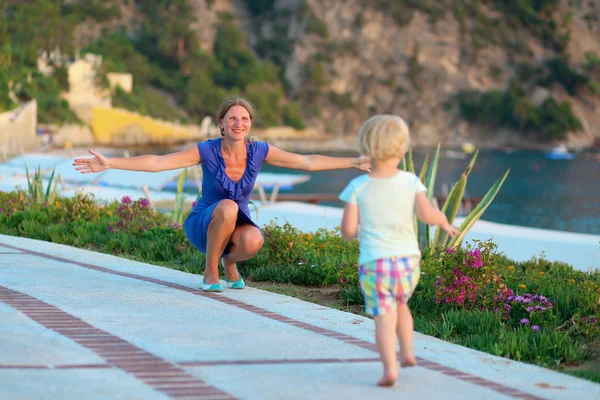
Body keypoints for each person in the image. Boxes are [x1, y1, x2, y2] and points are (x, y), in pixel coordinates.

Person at [73, 95, 370, 292]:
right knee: (227, 206)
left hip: (236, 226)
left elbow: (307, 161)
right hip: (204, 222)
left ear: (250, 124)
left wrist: (354, 161)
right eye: (232, 119)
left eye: (244, 119)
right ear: (221, 125)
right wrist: (109, 162)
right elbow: (158, 162)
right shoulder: (206, 151)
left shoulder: (259, 151)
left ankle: (230, 262)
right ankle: (210, 272)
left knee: (255, 239)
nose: (238, 123)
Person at [338, 114, 459, 387]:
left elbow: (347, 229)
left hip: (375, 264)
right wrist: (444, 222)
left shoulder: (357, 186)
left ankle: (390, 368)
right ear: (402, 149)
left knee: (383, 317)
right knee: (401, 305)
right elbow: (428, 215)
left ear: (365, 148)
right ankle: (407, 351)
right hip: (407, 263)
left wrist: (351, 233)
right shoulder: (410, 181)